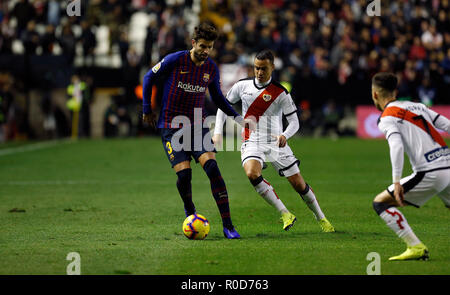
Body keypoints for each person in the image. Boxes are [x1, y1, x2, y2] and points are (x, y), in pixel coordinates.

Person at [142, 22, 251, 239]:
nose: (205, 51)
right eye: (202, 46)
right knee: (184, 175)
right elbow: (148, 77)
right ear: (193, 43)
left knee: (212, 168)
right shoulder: (176, 60)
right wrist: (147, 109)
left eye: (209, 47)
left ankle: (228, 225)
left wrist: (238, 118)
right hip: (171, 127)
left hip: (197, 127)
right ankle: (190, 212)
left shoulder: (210, 68)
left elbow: (218, 98)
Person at [213, 50, 335, 232]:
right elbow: (223, 106)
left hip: (275, 141)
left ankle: (321, 218)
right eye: (256, 68)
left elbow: (294, 122)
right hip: (252, 139)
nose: (259, 72)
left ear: (272, 67)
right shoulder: (242, 86)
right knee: (252, 174)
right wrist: (217, 133)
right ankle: (285, 213)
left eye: (263, 68)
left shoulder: (281, 93)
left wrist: (285, 135)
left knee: (299, 185)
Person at [371, 72, 450, 261]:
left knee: (380, 202)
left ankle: (415, 246)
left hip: (430, 172)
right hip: (448, 165)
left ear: (375, 94)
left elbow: (396, 145)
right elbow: (447, 125)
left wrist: (396, 180)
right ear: (395, 91)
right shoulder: (418, 106)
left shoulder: (386, 117)